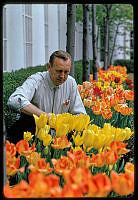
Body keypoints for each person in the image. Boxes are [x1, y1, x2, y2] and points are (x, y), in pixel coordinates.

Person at [7, 50, 87, 143]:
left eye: (66, 72)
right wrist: (44, 117)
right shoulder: (36, 80)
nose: (62, 76)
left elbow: (81, 115)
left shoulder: (71, 82)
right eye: (59, 71)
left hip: (60, 139)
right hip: (34, 135)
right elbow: (14, 100)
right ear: (49, 67)